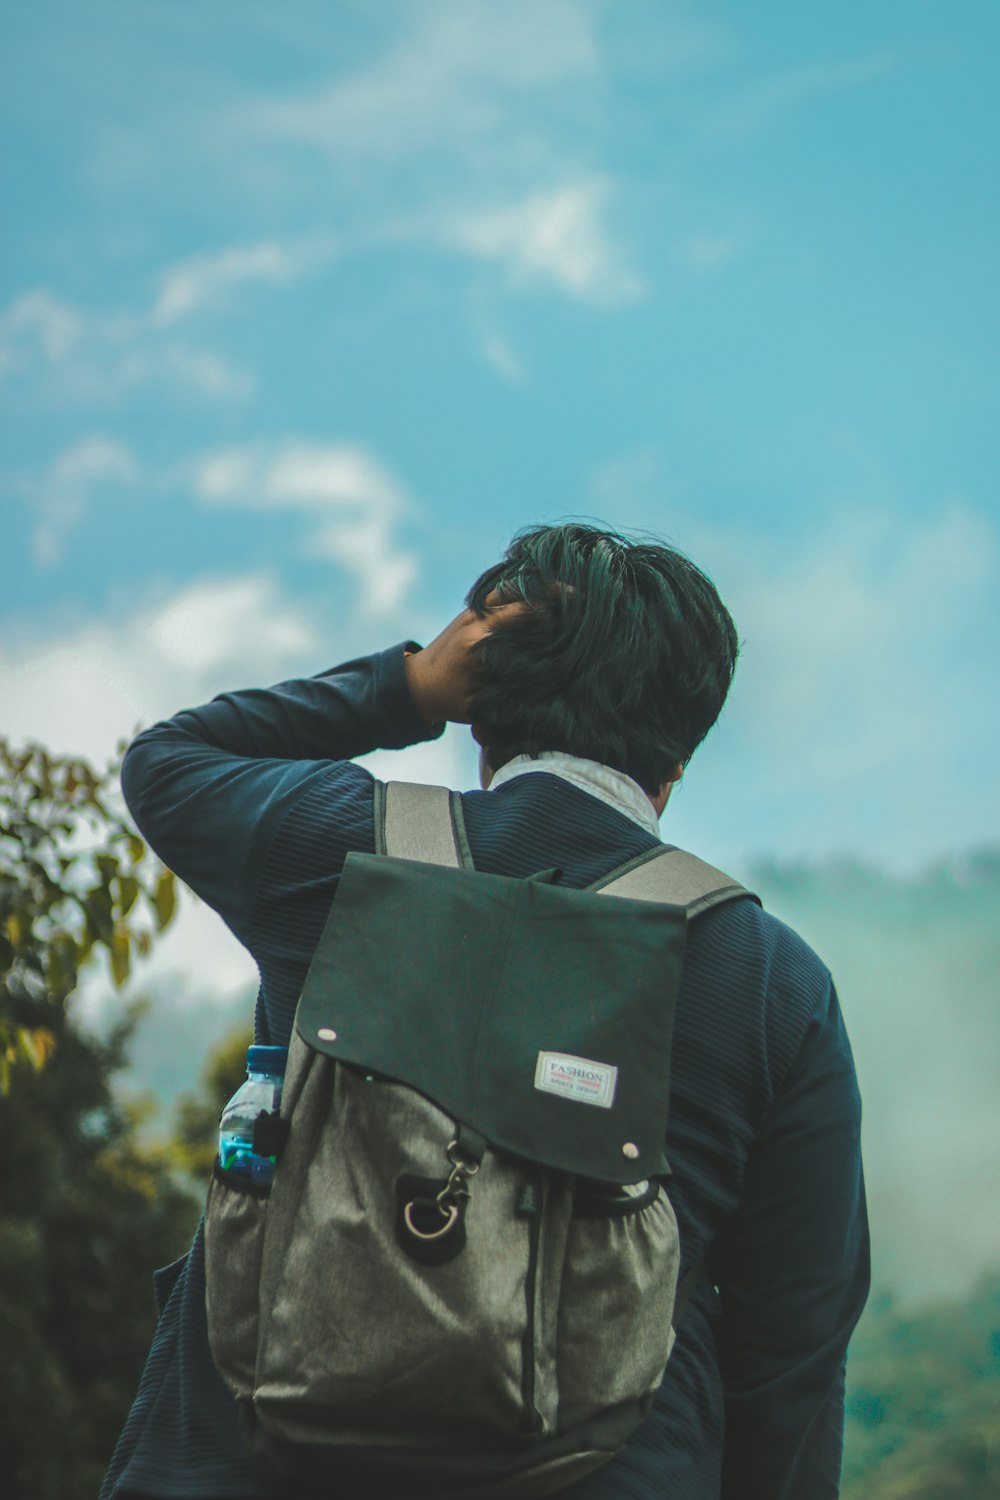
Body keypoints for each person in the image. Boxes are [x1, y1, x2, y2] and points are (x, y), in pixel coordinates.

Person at [101, 522, 870, 1500]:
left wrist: (410, 685)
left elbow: (168, 760)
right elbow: (793, 1347)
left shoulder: (337, 852)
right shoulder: (770, 982)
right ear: (675, 763)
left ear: (481, 719)